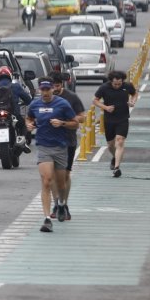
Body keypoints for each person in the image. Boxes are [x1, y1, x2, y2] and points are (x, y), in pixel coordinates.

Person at [25, 78, 77, 233]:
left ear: (53, 90)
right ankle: (47, 219)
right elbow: (29, 118)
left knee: (61, 184)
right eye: (43, 90)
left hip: (60, 147)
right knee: (47, 181)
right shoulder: (35, 104)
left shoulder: (63, 104)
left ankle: (61, 204)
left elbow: (75, 123)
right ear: (40, 90)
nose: (46, 92)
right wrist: (29, 124)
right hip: (43, 147)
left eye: (48, 90)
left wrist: (62, 123)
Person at [51, 74, 86, 221]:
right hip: (50, 141)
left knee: (64, 175)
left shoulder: (71, 97)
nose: (55, 89)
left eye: (58, 86)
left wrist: (66, 120)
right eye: (53, 86)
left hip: (68, 140)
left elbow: (82, 117)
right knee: (52, 175)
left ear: (62, 85)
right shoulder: (44, 99)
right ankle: (56, 204)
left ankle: (64, 203)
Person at [92, 71, 137, 178]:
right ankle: (115, 157)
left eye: (119, 83)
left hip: (123, 118)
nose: (117, 86)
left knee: (120, 141)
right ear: (111, 81)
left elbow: (134, 93)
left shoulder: (127, 86)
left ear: (123, 81)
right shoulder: (104, 88)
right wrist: (106, 107)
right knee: (110, 145)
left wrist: (132, 101)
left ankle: (117, 168)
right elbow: (95, 100)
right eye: (115, 84)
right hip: (109, 119)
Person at [0, 65, 33, 153]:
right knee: (23, 124)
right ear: (10, 75)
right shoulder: (16, 86)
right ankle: (22, 142)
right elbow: (28, 99)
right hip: (13, 114)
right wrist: (25, 102)